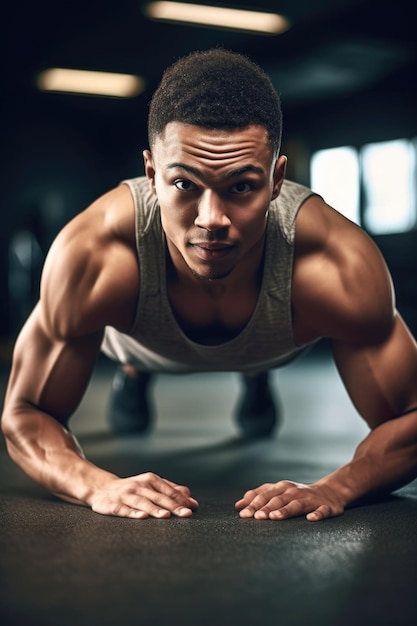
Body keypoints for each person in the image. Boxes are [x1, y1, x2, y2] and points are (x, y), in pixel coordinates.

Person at [2, 48, 417, 522]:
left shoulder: (335, 263)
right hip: (138, 344)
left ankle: (254, 372)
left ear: (278, 179)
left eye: (241, 186)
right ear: (152, 175)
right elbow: (26, 413)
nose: (212, 220)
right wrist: (96, 487)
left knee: (265, 339)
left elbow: (411, 417)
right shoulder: (95, 253)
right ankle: (136, 375)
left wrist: (338, 487)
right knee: (127, 372)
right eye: (185, 185)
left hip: (272, 343)